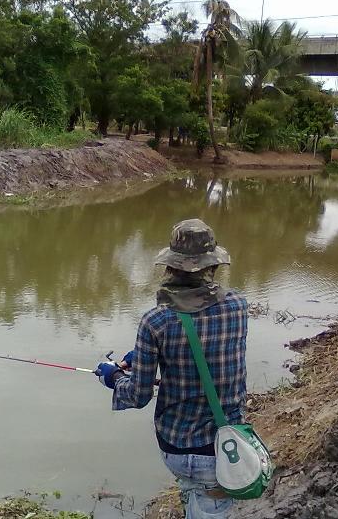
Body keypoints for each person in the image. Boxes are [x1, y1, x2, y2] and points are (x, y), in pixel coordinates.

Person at [95, 218, 248, 519]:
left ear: (170, 268)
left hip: (181, 449)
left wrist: (114, 376)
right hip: (227, 442)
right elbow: (205, 344)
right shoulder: (238, 306)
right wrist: (139, 355)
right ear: (213, 267)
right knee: (207, 501)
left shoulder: (156, 321)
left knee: (200, 496)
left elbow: (138, 396)